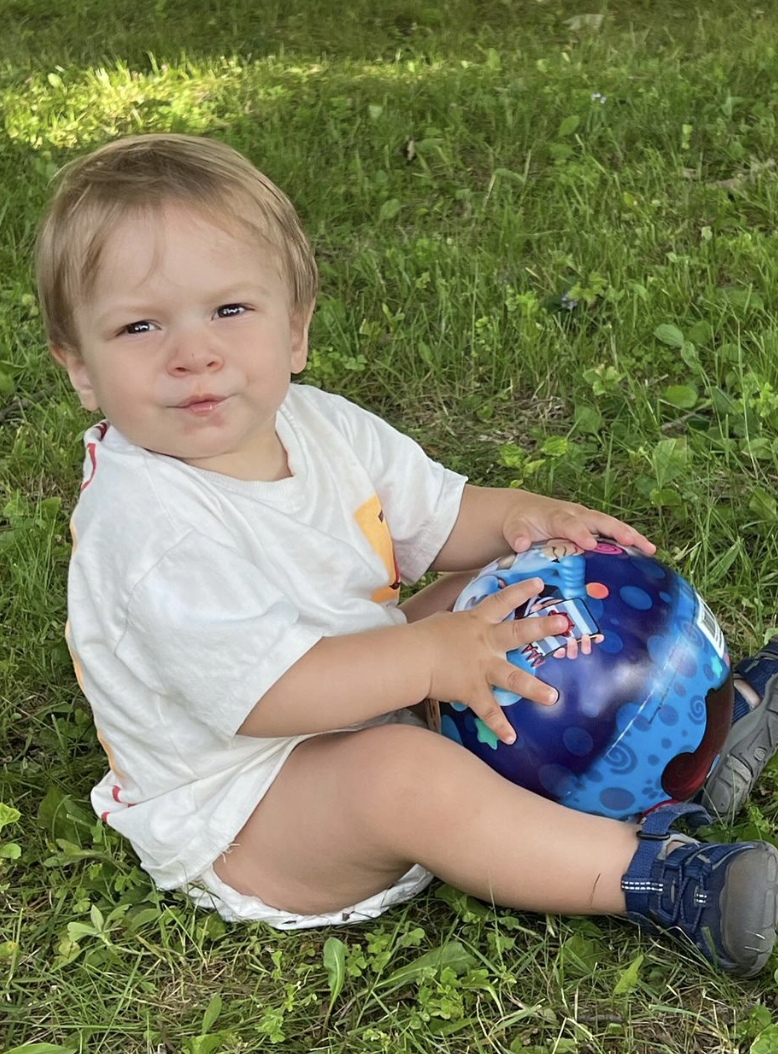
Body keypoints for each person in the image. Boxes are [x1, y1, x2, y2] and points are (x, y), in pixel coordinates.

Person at [36, 132, 778, 977]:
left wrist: (524, 522)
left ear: (296, 331)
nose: (193, 352)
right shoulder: (146, 526)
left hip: (362, 680)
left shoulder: (319, 425)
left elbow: (445, 514)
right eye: (138, 326)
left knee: (505, 595)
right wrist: (427, 658)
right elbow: (274, 696)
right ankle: (655, 877)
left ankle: (680, 756)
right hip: (254, 805)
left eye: (230, 311)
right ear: (81, 370)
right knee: (401, 773)